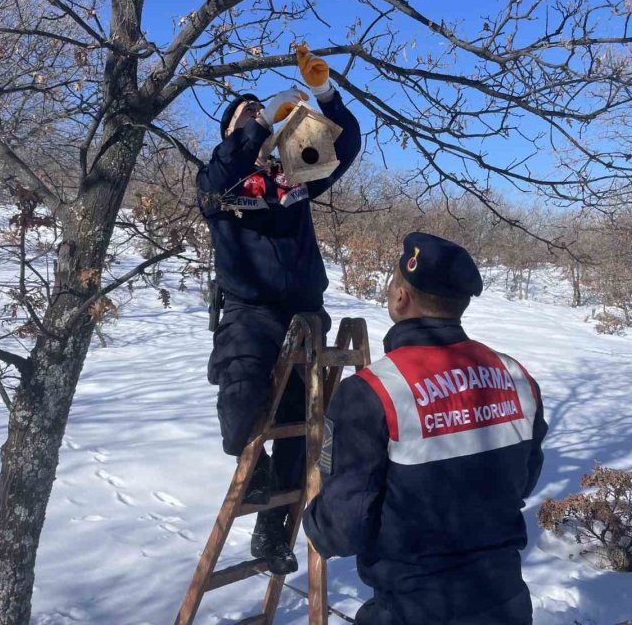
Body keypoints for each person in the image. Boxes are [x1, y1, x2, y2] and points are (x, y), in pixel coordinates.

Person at [303, 232, 549, 625]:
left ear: (400, 297)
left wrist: (316, 523)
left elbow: (344, 527)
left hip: (413, 609)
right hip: (507, 605)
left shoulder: (373, 392)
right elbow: (522, 481)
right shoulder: (517, 377)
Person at [197, 44, 361, 574]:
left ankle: (273, 534)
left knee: (300, 428)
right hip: (249, 313)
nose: (257, 120)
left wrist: (323, 93)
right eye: (244, 118)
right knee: (240, 410)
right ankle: (255, 470)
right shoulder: (219, 182)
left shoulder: (294, 178)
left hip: (304, 314)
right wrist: (255, 119)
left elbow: (343, 146)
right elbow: (214, 183)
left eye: (260, 114)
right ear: (231, 135)